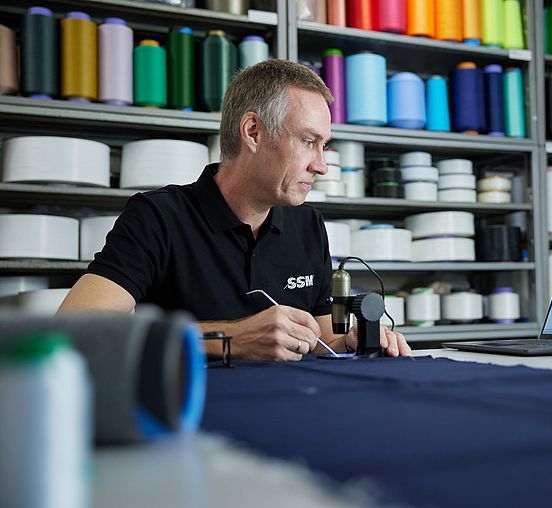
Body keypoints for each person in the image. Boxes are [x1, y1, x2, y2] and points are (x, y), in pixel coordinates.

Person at [58, 59, 411, 361]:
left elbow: (319, 340)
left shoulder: (307, 223)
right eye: (308, 142)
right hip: (190, 421)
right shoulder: (158, 217)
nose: (321, 166)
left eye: (324, 146)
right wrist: (231, 337)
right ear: (253, 131)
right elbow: (77, 331)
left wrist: (349, 342)